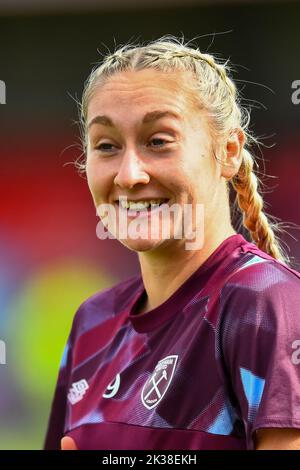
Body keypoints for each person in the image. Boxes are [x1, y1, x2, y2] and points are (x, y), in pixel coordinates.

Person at [44, 35, 300, 450]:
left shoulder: (266, 306)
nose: (129, 175)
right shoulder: (93, 322)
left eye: (159, 141)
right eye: (106, 146)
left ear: (229, 150)